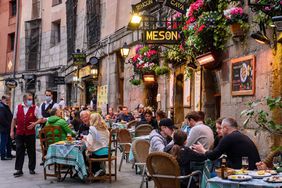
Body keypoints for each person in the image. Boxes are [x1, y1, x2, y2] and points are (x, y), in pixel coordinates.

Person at [192, 118, 261, 170]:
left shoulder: (228, 138)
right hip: (254, 169)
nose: (219, 131)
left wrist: (202, 150)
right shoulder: (241, 136)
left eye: (221, 128)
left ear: (225, 128)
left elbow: (213, 156)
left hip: (245, 171)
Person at [10, 93, 42, 177]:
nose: (30, 101)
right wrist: (12, 131)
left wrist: (35, 123)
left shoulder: (35, 108)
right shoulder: (18, 107)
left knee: (31, 151)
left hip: (30, 133)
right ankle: (19, 169)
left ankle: (31, 168)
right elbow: (14, 119)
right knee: (19, 150)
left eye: (31, 99)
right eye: (29, 99)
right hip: (19, 133)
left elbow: (41, 119)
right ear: (24, 100)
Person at [0, 95, 13, 160]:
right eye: (7, 100)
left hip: (8, 128)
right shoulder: (1, 107)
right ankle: (3, 155)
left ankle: (8, 154)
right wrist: (8, 125)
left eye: (9, 100)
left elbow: (10, 115)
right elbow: (1, 118)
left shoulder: (5, 106)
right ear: (3, 99)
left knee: (8, 142)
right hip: (4, 128)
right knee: (3, 142)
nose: (8, 101)